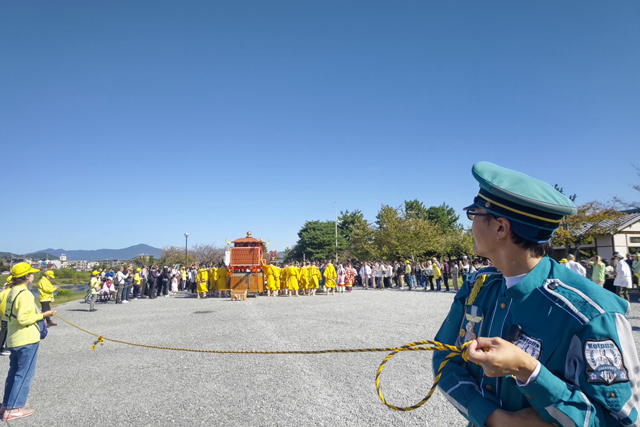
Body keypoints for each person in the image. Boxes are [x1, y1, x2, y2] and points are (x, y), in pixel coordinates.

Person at [433, 161, 639, 427]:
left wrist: (529, 372)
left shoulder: (592, 312)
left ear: (500, 228)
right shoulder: (477, 285)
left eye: (474, 213)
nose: (470, 224)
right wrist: (496, 418)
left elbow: (622, 421)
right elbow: (444, 358)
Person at [1, 263, 56, 421]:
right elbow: (24, 318)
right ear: (26, 277)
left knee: (14, 372)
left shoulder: (12, 292)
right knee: (24, 373)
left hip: (14, 338)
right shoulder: (25, 294)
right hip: (26, 338)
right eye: (31, 274)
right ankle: (14, 408)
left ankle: (8, 403)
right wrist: (43, 315)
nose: (33, 276)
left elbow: (7, 316)